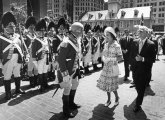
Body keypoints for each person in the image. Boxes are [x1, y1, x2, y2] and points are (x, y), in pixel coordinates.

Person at [57, 22, 84, 118]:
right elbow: (60, 60)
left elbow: (77, 56)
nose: (82, 33)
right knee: (67, 88)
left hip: (74, 69)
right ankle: (66, 110)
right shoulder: (66, 42)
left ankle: (71, 103)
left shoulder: (76, 41)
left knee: (75, 84)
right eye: (81, 31)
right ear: (76, 31)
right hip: (67, 71)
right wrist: (64, 74)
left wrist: (79, 67)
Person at [0, 12, 26, 100]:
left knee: (17, 74)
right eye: (10, 26)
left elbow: (21, 48)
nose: (13, 28)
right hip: (7, 60)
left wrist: (22, 58)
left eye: (14, 26)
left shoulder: (17, 37)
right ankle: (8, 93)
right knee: (7, 76)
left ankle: (18, 89)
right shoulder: (1, 38)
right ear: (4, 27)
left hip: (17, 59)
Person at [129, 26, 155, 113]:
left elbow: (152, 59)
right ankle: (139, 94)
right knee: (137, 86)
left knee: (142, 88)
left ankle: (138, 104)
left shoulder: (151, 44)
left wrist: (143, 59)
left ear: (147, 33)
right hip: (135, 69)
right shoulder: (134, 42)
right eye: (139, 31)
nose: (139, 32)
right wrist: (131, 65)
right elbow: (131, 55)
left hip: (144, 71)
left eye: (142, 31)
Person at [97, 27, 123, 107]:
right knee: (107, 85)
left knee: (113, 85)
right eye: (106, 35)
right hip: (106, 68)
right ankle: (108, 99)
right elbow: (103, 54)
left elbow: (120, 57)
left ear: (112, 36)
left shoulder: (116, 45)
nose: (106, 37)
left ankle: (117, 97)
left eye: (108, 35)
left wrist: (111, 59)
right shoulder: (105, 44)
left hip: (113, 68)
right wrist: (103, 58)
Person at [32, 19, 50, 92]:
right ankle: (41, 85)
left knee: (45, 70)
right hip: (39, 58)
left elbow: (49, 48)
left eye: (43, 31)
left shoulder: (46, 39)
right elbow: (33, 52)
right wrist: (34, 61)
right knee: (40, 71)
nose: (42, 32)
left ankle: (45, 83)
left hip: (46, 57)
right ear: (37, 32)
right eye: (40, 31)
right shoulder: (35, 40)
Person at [24, 16, 38, 88]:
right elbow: (24, 46)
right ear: (28, 27)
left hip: (35, 54)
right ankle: (31, 82)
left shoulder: (36, 35)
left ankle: (35, 81)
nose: (32, 28)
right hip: (29, 54)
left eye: (33, 26)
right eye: (30, 26)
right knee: (30, 69)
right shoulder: (26, 36)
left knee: (36, 68)